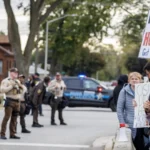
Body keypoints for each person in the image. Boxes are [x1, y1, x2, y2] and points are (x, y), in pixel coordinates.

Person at [117, 72, 145, 150]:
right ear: (129, 81)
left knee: (143, 145)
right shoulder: (124, 91)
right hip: (130, 123)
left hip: (143, 123)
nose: (134, 80)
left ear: (140, 80)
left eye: (136, 79)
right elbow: (119, 109)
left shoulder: (144, 91)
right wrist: (122, 123)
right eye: (132, 79)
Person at [0, 68, 23, 139]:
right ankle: (2, 134)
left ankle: (12, 134)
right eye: (14, 72)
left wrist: (21, 88)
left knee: (14, 118)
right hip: (10, 100)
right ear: (10, 73)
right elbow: (2, 90)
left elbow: (21, 90)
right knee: (6, 118)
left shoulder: (17, 81)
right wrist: (11, 86)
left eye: (17, 72)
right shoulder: (6, 81)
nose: (16, 73)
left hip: (17, 101)